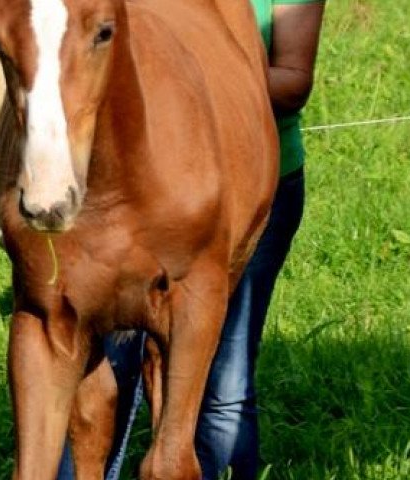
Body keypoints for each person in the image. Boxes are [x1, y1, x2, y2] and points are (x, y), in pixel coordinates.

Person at [57, 1, 325, 478]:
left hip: (252, 191)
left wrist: (190, 76)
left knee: (225, 386)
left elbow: (295, 81)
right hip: (133, 195)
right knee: (103, 369)